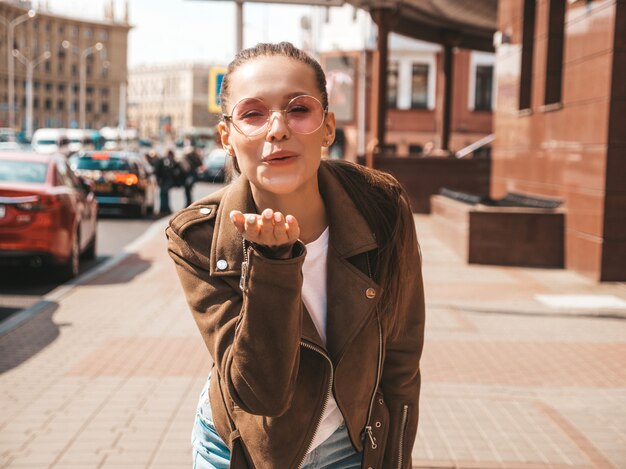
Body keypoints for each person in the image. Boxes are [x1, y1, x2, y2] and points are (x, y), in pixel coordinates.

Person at [166, 42, 425, 469]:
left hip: (350, 447)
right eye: (253, 113)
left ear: (327, 127)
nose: (277, 129)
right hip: (239, 450)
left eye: (298, 109)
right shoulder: (199, 237)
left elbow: (401, 357)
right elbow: (261, 393)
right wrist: (273, 264)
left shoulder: (381, 207)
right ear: (227, 138)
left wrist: (395, 458)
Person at [154, 149, 182, 215]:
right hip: (167, 180)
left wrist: (158, 179)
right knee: (164, 194)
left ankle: (163, 209)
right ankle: (165, 209)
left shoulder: (163, 160)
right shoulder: (170, 161)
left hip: (164, 180)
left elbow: (157, 170)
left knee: (163, 195)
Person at [182, 143, 205, 207]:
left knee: (188, 189)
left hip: (191, 175)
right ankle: (189, 202)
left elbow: (200, 165)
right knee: (187, 190)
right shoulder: (191, 158)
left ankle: (189, 203)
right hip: (190, 175)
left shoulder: (193, 158)